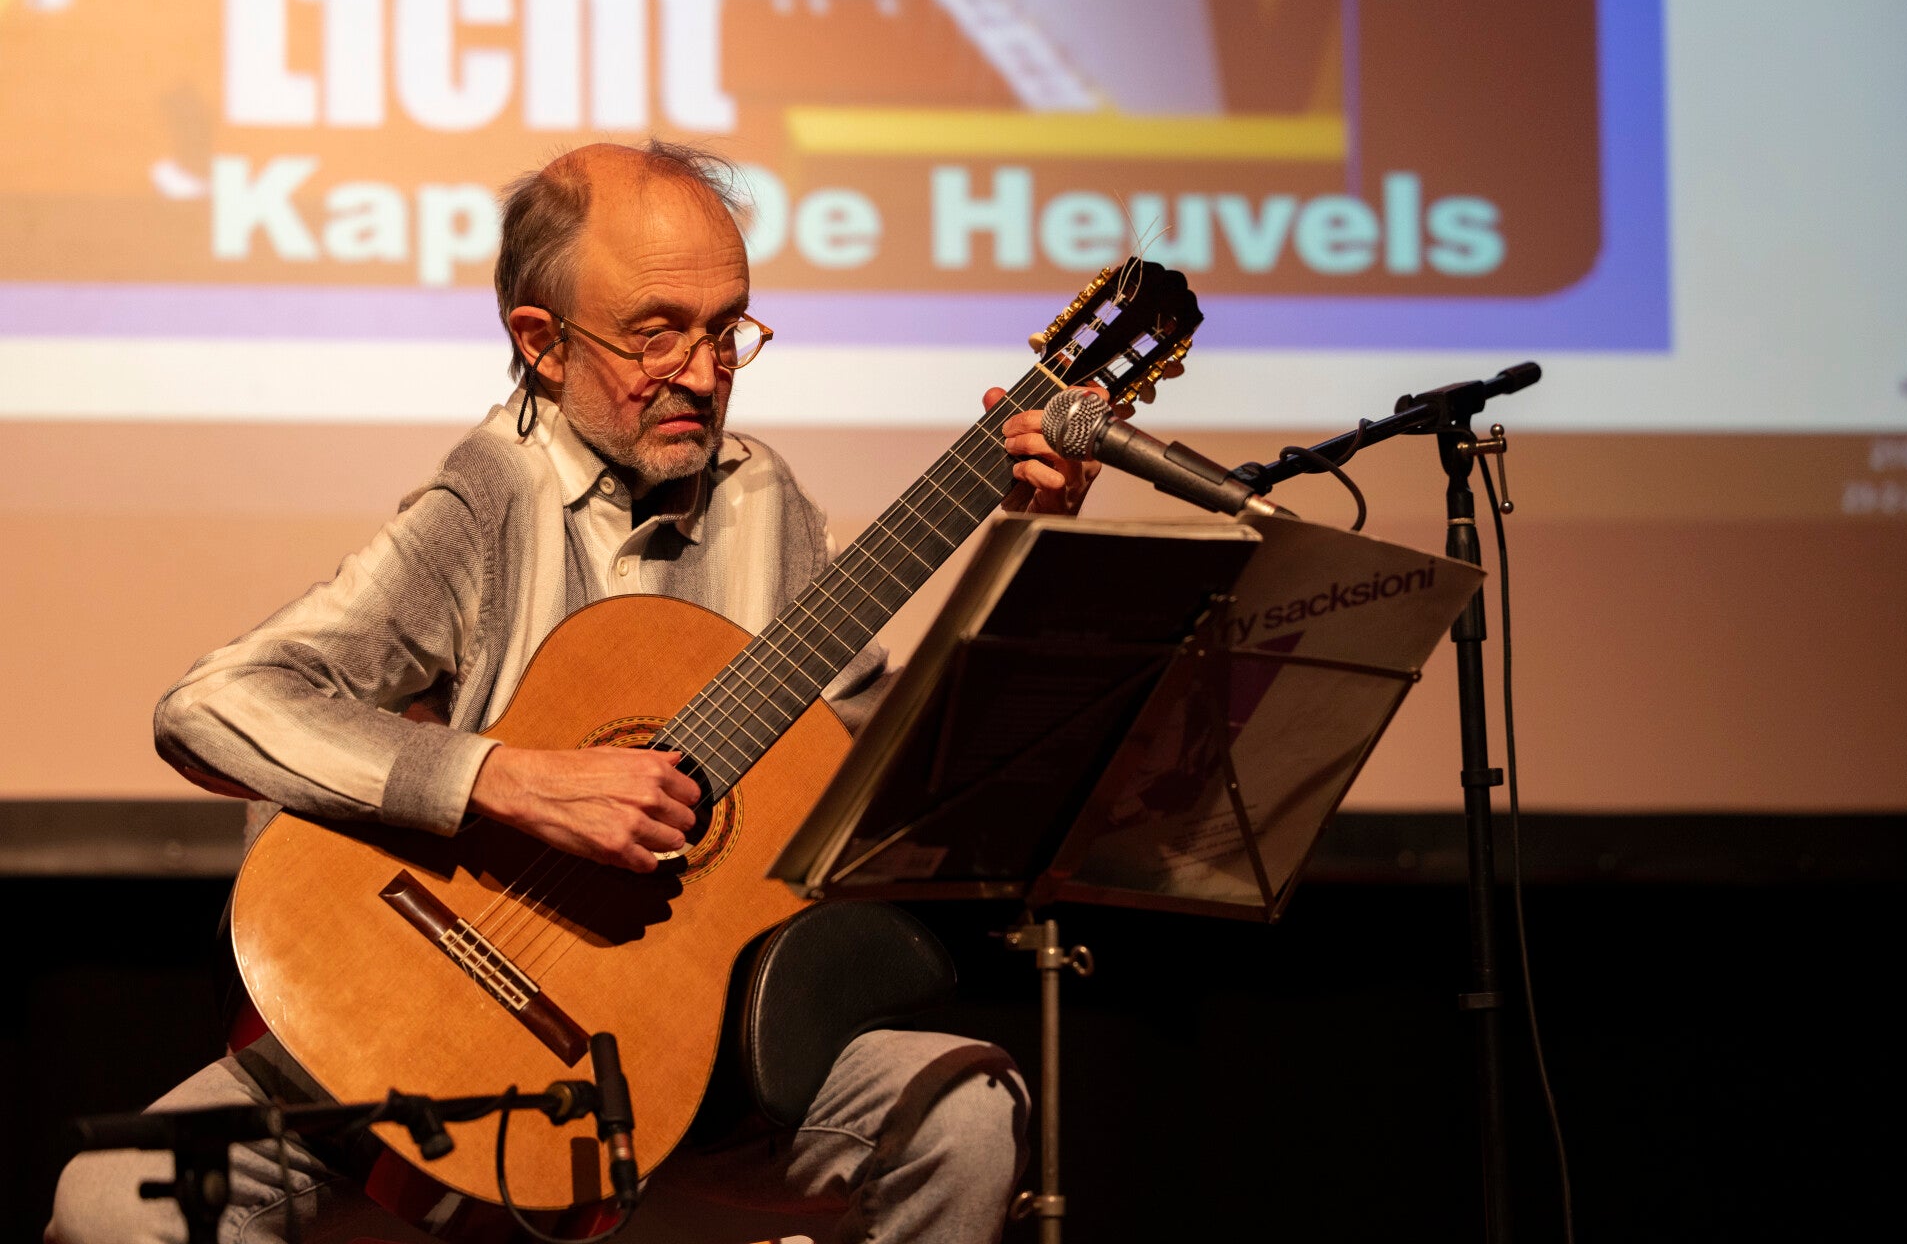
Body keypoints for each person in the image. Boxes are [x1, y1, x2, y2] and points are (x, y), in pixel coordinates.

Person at [45, 141, 1109, 1244]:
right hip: (434, 1036)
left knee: (964, 1111)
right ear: (541, 343)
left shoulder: (767, 505)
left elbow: (870, 777)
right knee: (112, 1197)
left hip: (691, 1053)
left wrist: (1027, 548)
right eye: (655, 333)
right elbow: (212, 704)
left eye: (726, 329)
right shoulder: (488, 502)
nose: (702, 371)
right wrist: (510, 781)